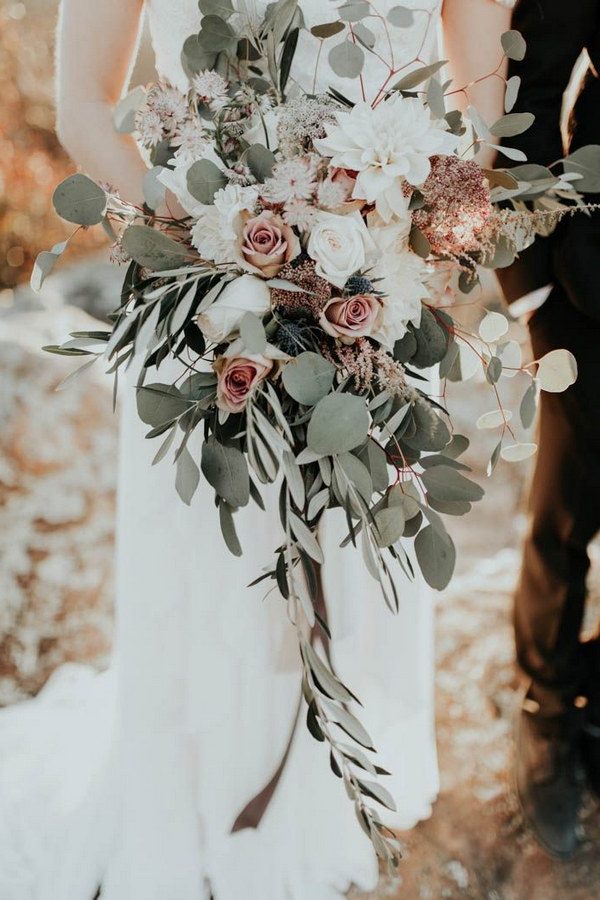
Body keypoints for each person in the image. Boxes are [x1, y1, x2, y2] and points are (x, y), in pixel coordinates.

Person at [0, 2, 442, 898]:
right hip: (207, 300)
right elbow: (85, 104)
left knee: (356, 559)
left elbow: (470, 95)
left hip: (372, 297)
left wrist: (397, 214)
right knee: (218, 570)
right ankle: (202, 809)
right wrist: (226, 239)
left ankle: (327, 792)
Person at [445, 0, 600, 860]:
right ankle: (546, 708)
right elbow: (527, 97)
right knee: (571, 501)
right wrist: (535, 294)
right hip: (590, 280)